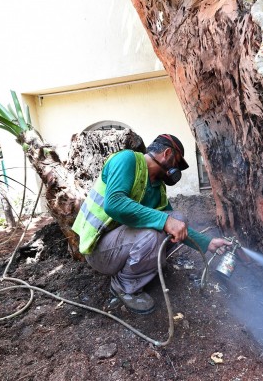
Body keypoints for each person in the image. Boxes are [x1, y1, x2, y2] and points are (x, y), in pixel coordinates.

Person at [71, 134, 231, 314]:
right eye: (177, 163)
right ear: (167, 153)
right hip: (99, 250)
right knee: (155, 232)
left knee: (177, 219)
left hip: (120, 245)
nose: (176, 170)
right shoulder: (127, 159)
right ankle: (124, 287)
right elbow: (114, 203)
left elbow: (176, 226)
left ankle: (141, 268)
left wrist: (207, 243)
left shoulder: (157, 187)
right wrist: (164, 220)